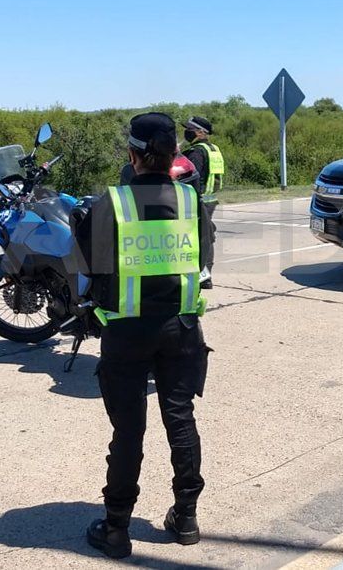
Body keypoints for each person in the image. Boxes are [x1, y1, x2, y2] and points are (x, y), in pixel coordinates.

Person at [72, 112, 213, 559]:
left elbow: (87, 272)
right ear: (175, 154)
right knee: (181, 419)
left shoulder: (109, 203)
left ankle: (116, 529)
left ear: (132, 155)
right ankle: (185, 518)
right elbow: (204, 265)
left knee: (128, 430)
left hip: (127, 334)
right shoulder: (192, 201)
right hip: (182, 330)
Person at [182, 116, 223, 287]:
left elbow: (193, 178)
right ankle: (205, 276)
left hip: (198, 200)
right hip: (210, 199)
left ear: (200, 132)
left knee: (199, 238)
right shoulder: (213, 149)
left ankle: (204, 278)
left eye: (190, 129)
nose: (187, 132)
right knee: (206, 237)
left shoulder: (197, 152)